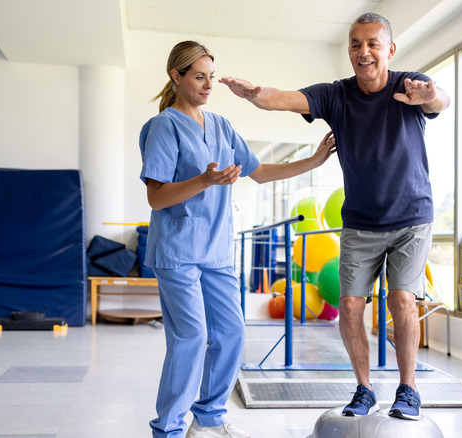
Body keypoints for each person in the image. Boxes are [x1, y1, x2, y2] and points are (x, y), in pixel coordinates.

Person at [220, 12, 450, 421]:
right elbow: (283, 98)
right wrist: (254, 94)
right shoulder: (336, 95)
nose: (364, 52)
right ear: (349, 50)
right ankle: (363, 389)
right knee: (348, 306)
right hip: (361, 222)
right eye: (356, 44)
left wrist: (430, 95)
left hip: (411, 217)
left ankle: (408, 389)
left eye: (373, 44)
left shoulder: (408, 86)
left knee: (401, 298)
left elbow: (439, 100)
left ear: (390, 50)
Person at [140, 40, 336, 438]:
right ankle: (170, 429)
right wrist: (204, 180)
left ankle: (209, 418)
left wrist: (313, 161)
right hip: (177, 251)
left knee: (231, 333)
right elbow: (156, 196)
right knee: (191, 338)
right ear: (176, 77)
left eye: (211, 76)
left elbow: (260, 172)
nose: (208, 84)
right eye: (199, 76)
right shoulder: (163, 126)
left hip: (216, 251)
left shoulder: (222, 126)